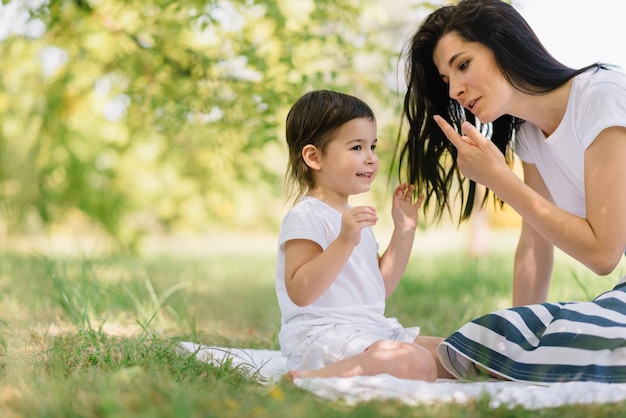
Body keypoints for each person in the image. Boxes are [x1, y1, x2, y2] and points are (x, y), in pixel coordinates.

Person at [399, 0, 626, 383]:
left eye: (463, 64)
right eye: (446, 79)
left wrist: (502, 179)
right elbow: (535, 246)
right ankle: (451, 354)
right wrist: (521, 332)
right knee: (569, 332)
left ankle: (440, 356)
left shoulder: (600, 96)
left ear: (504, 44)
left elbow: (603, 253)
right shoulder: (529, 137)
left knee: (588, 335)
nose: (455, 89)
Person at [275, 89, 451, 382]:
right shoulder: (306, 215)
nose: (371, 158)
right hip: (323, 335)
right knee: (417, 363)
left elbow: (380, 287)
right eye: (357, 148)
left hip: (368, 330)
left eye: (373, 146)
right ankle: (313, 376)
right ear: (314, 157)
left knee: (452, 354)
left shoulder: (354, 220)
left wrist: (404, 230)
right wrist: (344, 240)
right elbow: (301, 292)